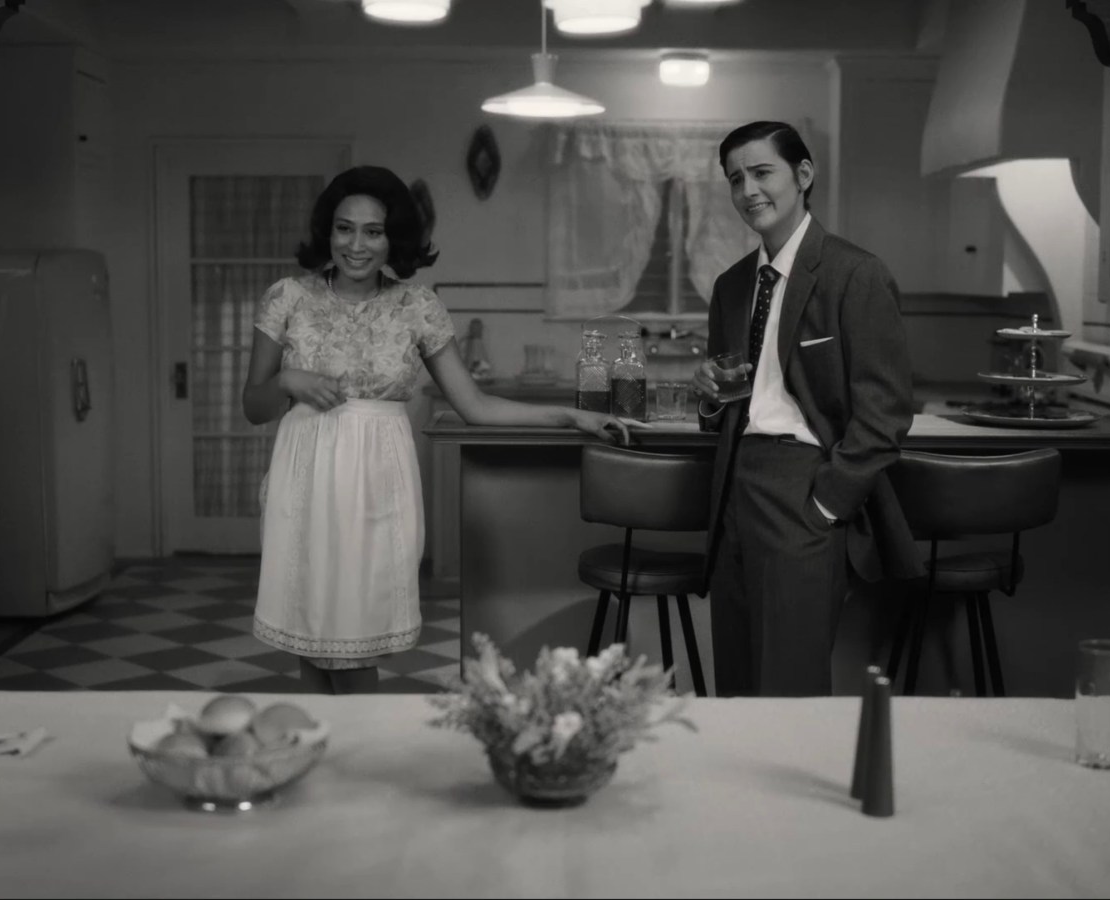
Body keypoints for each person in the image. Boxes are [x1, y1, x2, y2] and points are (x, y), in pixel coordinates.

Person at [243, 165, 631, 694]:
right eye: (344, 228)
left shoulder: (416, 306)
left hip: (376, 480)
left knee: (357, 643)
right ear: (326, 231)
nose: (356, 245)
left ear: (393, 238)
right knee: (310, 639)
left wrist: (570, 414)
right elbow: (253, 405)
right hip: (305, 474)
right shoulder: (287, 297)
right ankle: (325, 759)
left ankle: (364, 762)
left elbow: (475, 405)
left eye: (373, 231)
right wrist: (288, 379)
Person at [691, 121, 924, 698]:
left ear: (803, 174)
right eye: (735, 179)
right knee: (738, 680)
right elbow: (738, 400)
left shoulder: (855, 274)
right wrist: (712, 393)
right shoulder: (729, 286)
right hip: (733, 486)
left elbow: (886, 412)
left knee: (789, 684)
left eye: (761, 172)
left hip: (803, 487)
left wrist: (825, 504)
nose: (748, 190)